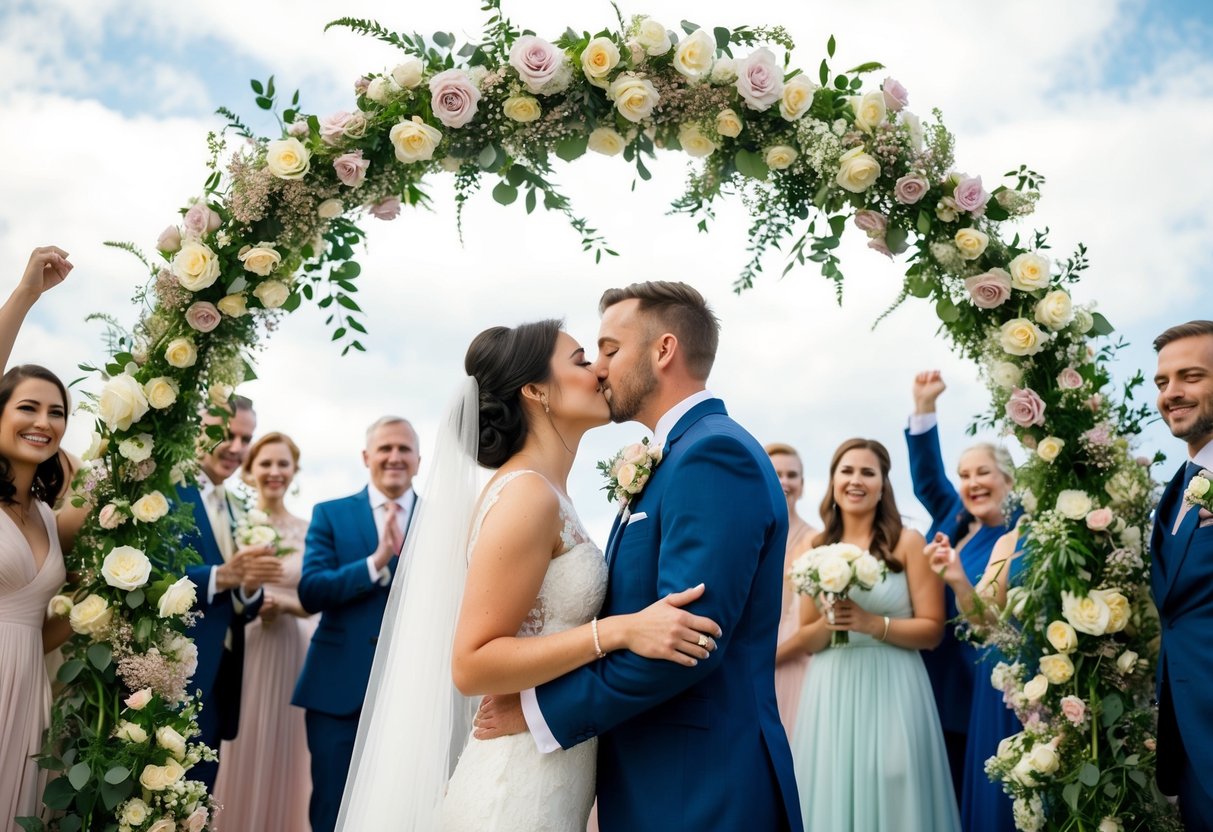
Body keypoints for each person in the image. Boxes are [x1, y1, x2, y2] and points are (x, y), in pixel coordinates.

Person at [336, 319, 723, 831]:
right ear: (537, 390)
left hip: (552, 770)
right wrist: (619, 631)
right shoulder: (527, 495)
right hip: (514, 790)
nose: (600, 371)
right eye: (582, 361)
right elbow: (473, 663)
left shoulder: (549, 493)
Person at [476, 283, 802, 831]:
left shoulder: (712, 456)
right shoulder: (678, 456)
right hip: (659, 778)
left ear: (663, 351)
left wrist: (537, 712)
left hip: (700, 787)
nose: (599, 369)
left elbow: (685, 641)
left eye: (608, 349)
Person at [781, 438, 961, 832]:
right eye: (846, 471)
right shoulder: (813, 548)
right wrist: (830, 625)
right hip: (832, 687)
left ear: (883, 484)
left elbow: (933, 631)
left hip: (895, 684)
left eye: (867, 472)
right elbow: (809, 636)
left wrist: (872, 624)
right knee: (832, 792)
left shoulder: (908, 542)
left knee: (895, 785)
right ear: (832, 481)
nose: (855, 480)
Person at [294, 416, 423, 832]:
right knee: (333, 808)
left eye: (404, 449)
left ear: (419, 460)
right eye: (385, 448)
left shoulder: (442, 519)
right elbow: (310, 591)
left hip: (415, 692)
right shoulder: (331, 514)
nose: (394, 457)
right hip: (337, 691)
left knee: (405, 810)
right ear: (367, 457)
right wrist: (376, 562)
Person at [906, 370, 1021, 830]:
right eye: (964, 475)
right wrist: (923, 407)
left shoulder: (1022, 531)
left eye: (982, 473)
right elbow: (930, 479)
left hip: (995, 682)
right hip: (945, 683)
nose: (971, 484)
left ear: (1008, 478)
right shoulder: (955, 521)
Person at [0, 247, 86, 829]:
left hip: (30, 688)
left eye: (57, 413)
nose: (44, 421)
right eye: (28, 407)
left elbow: (46, 629)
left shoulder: (54, 521)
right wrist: (27, 293)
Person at [179, 396, 282, 790]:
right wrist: (222, 575)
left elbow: (241, 603)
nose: (237, 448)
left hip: (220, 683)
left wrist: (250, 586)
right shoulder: (168, 493)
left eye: (246, 438)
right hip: (171, 675)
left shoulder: (238, 507)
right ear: (197, 430)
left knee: (195, 804)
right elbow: (149, 574)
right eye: (227, 434)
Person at [214, 432, 313, 831]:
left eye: (283, 463)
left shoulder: (310, 529)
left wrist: (285, 604)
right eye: (266, 463)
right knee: (241, 745)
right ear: (250, 470)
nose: (274, 472)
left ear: (294, 470)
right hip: (243, 649)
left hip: (293, 651)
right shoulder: (233, 524)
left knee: (287, 753)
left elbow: (320, 596)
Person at [1150, 320, 1213, 830]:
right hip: (1191, 743)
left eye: (1190, 377)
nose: (1172, 393)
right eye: (1163, 382)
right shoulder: (1176, 489)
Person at [766, 442, 818, 738]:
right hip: (752, 657)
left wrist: (768, 657)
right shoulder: (750, 534)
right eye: (777, 473)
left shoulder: (815, 540)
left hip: (796, 661)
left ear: (802, 484)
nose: (785, 482)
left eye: (792, 475)